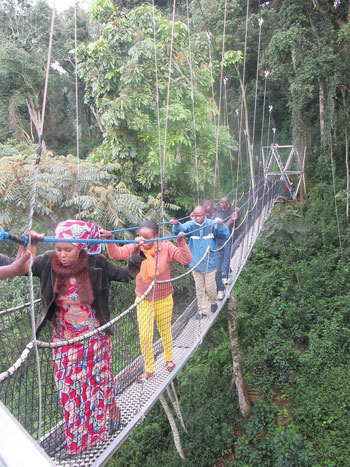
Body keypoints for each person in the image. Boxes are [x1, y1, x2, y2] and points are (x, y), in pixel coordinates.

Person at [31, 220, 144, 458]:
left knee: (99, 387)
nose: (61, 254)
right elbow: (20, 266)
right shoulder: (47, 263)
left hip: (95, 341)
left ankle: (109, 419)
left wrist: (135, 254)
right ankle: (78, 443)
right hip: (63, 343)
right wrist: (28, 247)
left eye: (67, 249)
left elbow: (126, 275)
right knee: (69, 393)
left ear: (81, 247)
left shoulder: (97, 264)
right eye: (58, 248)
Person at [100, 221, 192, 382]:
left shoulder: (166, 247)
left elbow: (186, 260)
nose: (142, 240)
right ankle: (149, 368)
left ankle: (168, 359)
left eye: (147, 237)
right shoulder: (136, 247)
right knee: (145, 336)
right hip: (143, 300)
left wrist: (180, 242)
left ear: (156, 236)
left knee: (165, 330)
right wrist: (110, 239)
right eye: (140, 236)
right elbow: (116, 254)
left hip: (164, 299)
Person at [171, 206, 229, 319]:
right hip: (196, 264)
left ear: (205, 215)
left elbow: (225, 235)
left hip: (210, 263)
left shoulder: (212, 224)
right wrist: (177, 225)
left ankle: (213, 302)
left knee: (210, 287)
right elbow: (180, 230)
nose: (197, 218)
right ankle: (203, 310)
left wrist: (221, 225)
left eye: (200, 216)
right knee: (200, 288)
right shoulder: (190, 225)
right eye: (196, 216)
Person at [214, 197, 240, 300]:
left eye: (223, 202)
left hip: (228, 236)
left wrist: (237, 214)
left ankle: (224, 275)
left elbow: (236, 220)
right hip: (219, 237)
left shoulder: (232, 210)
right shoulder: (218, 211)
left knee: (227, 254)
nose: (221, 204)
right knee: (221, 256)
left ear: (228, 203)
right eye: (220, 202)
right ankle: (227, 269)